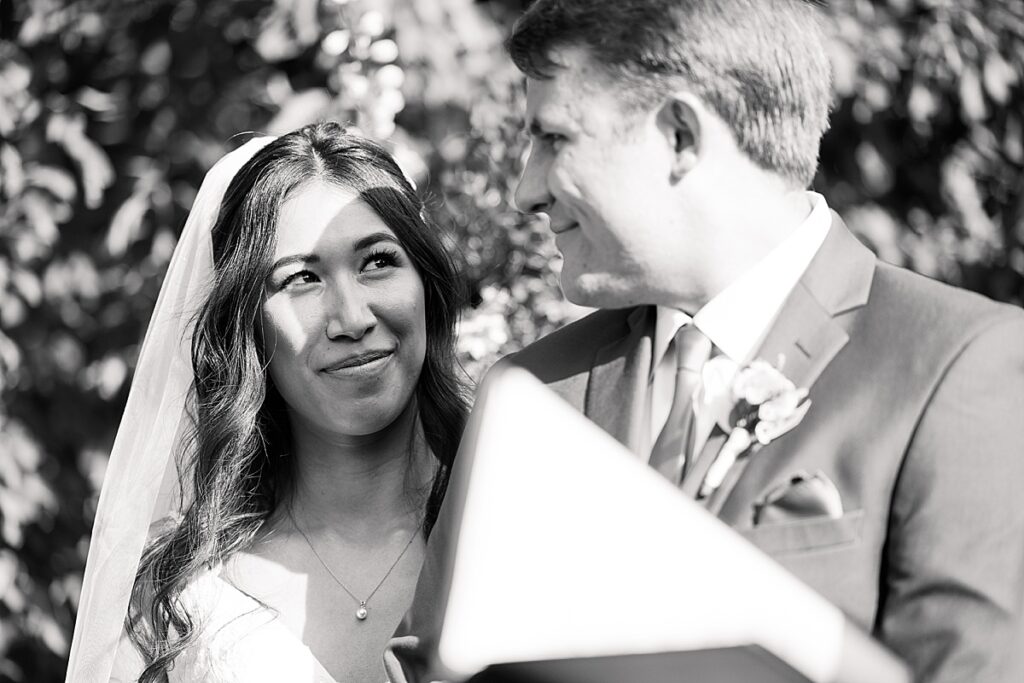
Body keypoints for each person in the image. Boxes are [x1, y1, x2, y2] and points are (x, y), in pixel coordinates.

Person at [390, 1, 1024, 681]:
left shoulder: (957, 364)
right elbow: (428, 666)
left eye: (553, 139)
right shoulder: (531, 392)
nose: (525, 190)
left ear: (681, 135)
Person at [65, 122, 469, 682]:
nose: (352, 319)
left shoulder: (506, 520)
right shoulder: (187, 603)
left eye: (378, 260)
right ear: (248, 328)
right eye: (301, 278)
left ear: (427, 282)